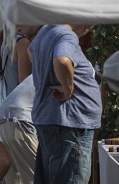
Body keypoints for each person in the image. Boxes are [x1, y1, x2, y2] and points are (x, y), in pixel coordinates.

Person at [29, 24, 102, 184]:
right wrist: (68, 90)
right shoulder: (66, 35)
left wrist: (49, 76)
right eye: (89, 21)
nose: (89, 27)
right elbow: (62, 60)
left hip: (54, 119)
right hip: (69, 122)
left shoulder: (46, 30)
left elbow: (31, 52)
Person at [0, 75, 39, 184]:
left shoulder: (40, 71)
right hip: (20, 122)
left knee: (13, 179)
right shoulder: (63, 72)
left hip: (0, 121)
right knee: (36, 177)